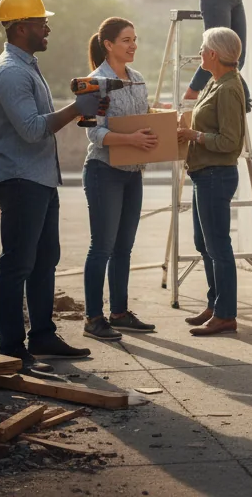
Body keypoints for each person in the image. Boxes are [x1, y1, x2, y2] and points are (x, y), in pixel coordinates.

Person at [0, 0, 104, 372]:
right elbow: (33, 130)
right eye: (41, 23)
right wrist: (76, 109)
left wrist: (79, 108)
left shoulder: (27, 64)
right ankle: (10, 347)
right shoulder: (10, 72)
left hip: (37, 178)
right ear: (22, 28)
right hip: (19, 179)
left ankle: (42, 336)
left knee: (44, 260)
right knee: (18, 263)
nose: (47, 28)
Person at [82, 17, 158, 342]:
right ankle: (93, 319)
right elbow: (92, 131)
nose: (133, 45)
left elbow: (142, 117)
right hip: (103, 173)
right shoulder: (93, 82)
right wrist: (130, 141)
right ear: (108, 45)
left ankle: (120, 313)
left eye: (135, 39)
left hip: (132, 173)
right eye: (126, 40)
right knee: (102, 247)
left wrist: (163, 120)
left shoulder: (138, 79)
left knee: (124, 248)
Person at [176, 27, 248, 337]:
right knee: (203, 243)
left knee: (218, 245)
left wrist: (195, 136)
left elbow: (231, 141)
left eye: (203, 48)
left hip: (216, 175)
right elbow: (203, 119)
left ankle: (226, 314)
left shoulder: (230, 88)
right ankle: (215, 304)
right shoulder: (213, 83)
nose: (199, 53)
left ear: (214, 54)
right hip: (203, 174)